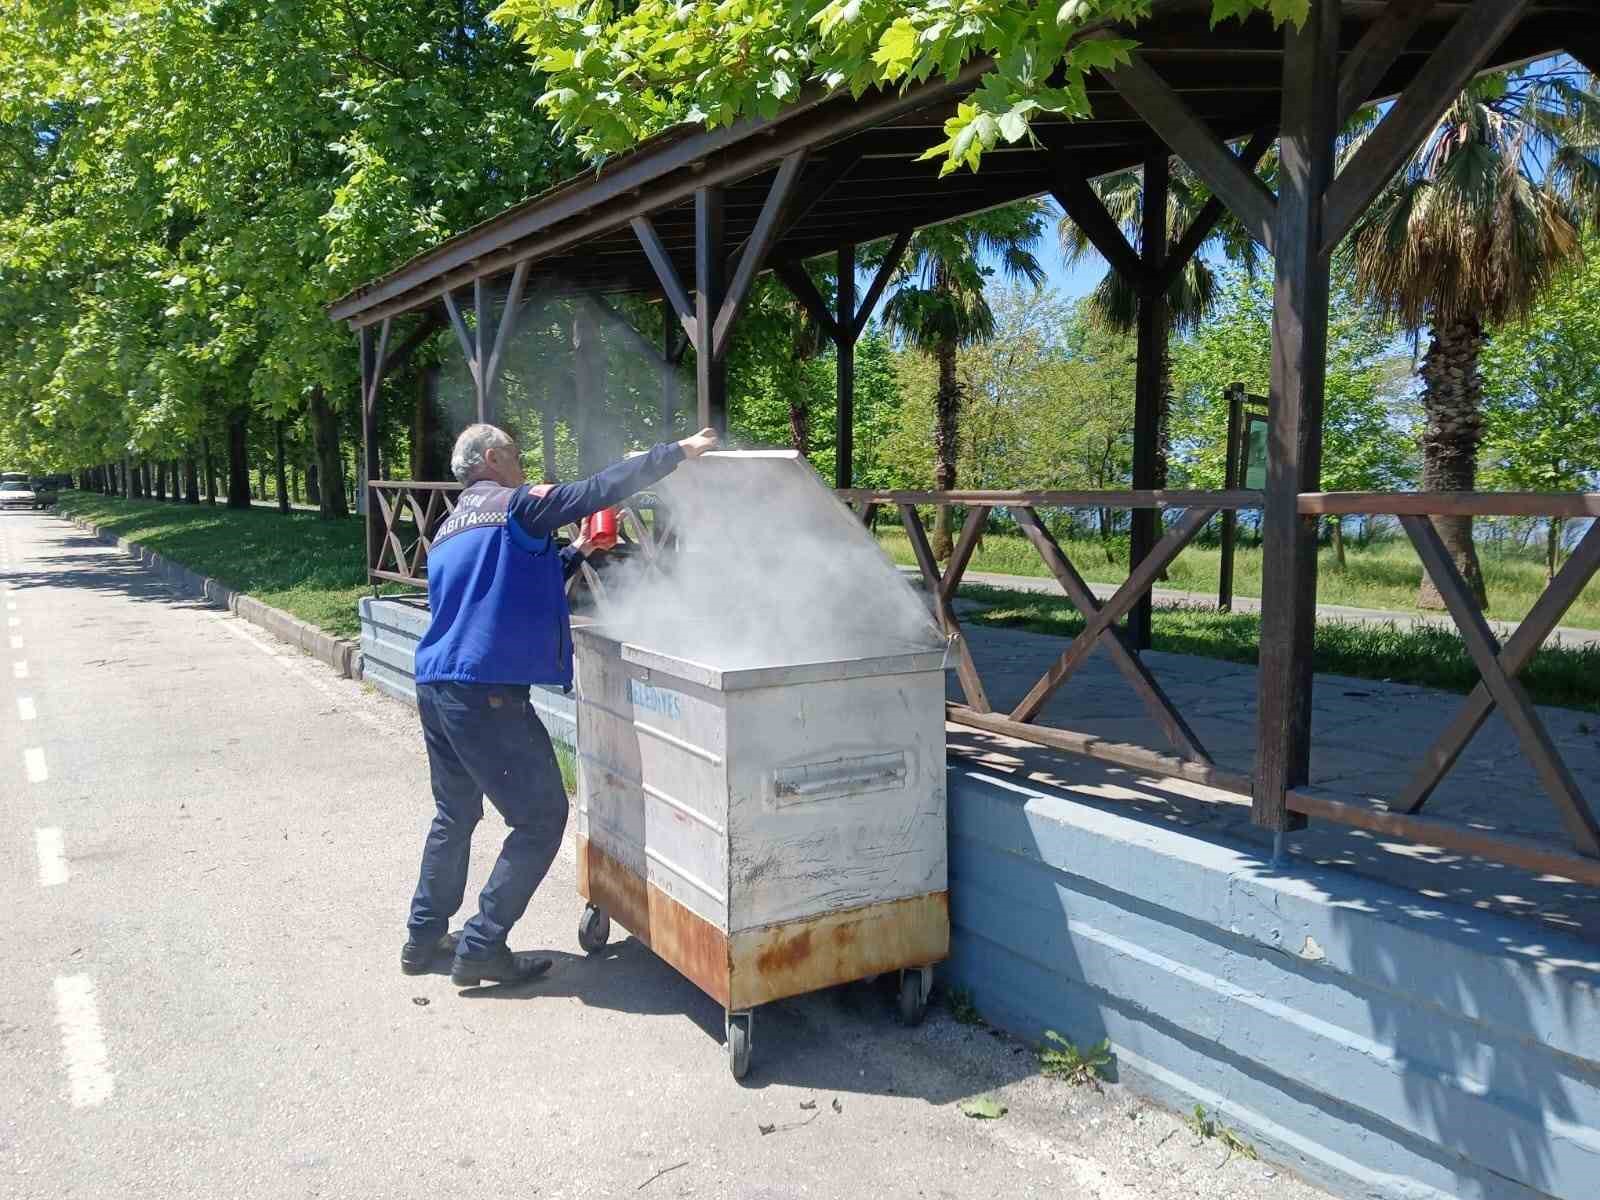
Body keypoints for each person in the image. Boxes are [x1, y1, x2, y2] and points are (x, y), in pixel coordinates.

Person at [401, 422, 718, 986]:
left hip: (436, 685)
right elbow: (598, 489)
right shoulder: (515, 506)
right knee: (541, 818)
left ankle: (423, 938)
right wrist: (679, 452)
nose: (522, 466)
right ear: (493, 458)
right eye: (516, 456)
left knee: (455, 814)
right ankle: (481, 945)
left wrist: (577, 550)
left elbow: (508, 588)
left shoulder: (451, 526)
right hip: (486, 694)